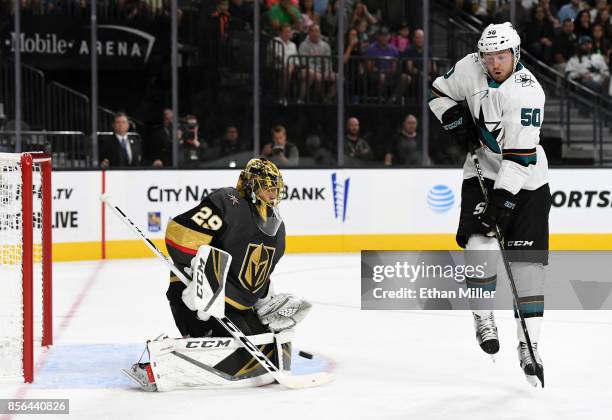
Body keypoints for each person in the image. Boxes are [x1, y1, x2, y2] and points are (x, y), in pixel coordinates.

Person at [428, 22, 551, 387]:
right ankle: (484, 318)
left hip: (526, 182)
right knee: (479, 247)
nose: (495, 63)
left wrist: (502, 201)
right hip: (480, 171)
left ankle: (530, 347)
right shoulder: (469, 67)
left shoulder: (528, 94)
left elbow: (519, 159)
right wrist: (453, 118)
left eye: (502, 55)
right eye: (489, 56)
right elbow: (437, 92)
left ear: (516, 54)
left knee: (528, 269)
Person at [124, 159, 311, 390]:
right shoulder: (227, 202)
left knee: (259, 342)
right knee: (237, 346)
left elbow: (260, 272)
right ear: (252, 185)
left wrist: (264, 297)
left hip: (237, 304)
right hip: (195, 297)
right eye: (266, 186)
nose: (272, 193)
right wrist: (198, 275)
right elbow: (180, 235)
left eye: (275, 188)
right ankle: (162, 364)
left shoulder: (276, 227)